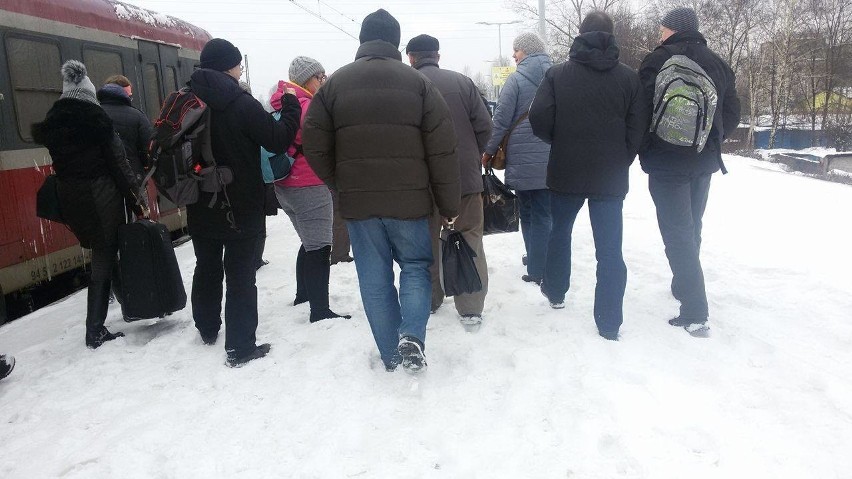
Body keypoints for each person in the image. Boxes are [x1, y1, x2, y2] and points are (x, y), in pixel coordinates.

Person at [303, 9, 460, 374]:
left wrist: (339, 181)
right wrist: (449, 204)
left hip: (359, 204)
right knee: (416, 268)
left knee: (374, 279)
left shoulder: (334, 86)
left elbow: (313, 143)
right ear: (396, 42)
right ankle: (412, 337)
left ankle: (392, 355)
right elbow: (443, 150)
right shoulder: (420, 84)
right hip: (411, 202)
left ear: (362, 39)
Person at [529, 11, 648, 341]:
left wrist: (560, 140)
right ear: (611, 37)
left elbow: (538, 117)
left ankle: (555, 291)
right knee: (610, 250)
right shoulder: (628, 78)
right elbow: (639, 126)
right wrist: (622, 155)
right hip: (609, 176)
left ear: (580, 36)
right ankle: (609, 323)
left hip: (565, 170)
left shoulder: (556, 75)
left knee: (559, 232)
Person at [187, 38, 301, 367]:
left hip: (199, 199)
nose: (240, 69)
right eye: (237, 63)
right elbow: (277, 140)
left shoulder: (185, 98)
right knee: (240, 275)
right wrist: (291, 108)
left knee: (206, 266)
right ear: (229, 66)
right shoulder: (240, 103)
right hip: (241, 203)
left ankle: (207, 329)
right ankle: (240, 347)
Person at [32, 60, 148, 349]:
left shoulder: (55, 124)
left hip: (72, 198)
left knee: (104, 250)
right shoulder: (96, 120)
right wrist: (138, 202)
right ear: (88, 94)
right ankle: (94, 330)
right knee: (104, 256)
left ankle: (129, 306)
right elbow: (119, 165)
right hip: (101, 196)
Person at [638, 8, 740, 335]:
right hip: (704, 160)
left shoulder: (656, 61)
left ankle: (695, 309)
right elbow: (732, 112)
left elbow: (639, 112)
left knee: (677, 232)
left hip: (666, 163)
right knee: (691, 226)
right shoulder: (718, 63)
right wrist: (711, 139)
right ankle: (684, 283)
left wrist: (646, 147)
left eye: (662, 29)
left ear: (672, 30)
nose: (659, 35)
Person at [406, 34, 493, 328]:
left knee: (426, 242)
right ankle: (470, 307)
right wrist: (470, 155)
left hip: (423, 182)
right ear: (438, 56)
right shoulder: (463, 83)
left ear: (411, 58)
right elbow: (485, 127)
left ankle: (431, 299)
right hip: (464, 181)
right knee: (470, 237)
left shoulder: (407, 85)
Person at [270, 56, 349, 323]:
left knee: (309, 242)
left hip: (286, 183)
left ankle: (303, 295)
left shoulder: (283, 103)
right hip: (308, 182)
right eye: (321, 76)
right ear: (308, 79)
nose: (323, 81)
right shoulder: (307, 107)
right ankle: (320, 310)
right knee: (319, 246)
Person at [481, 32, 552, 286]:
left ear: (528, 52)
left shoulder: (517, 80)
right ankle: (539, 257)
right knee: (545, 211)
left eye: (517, 50)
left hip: (522, 156)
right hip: (552, 155)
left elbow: (500, 120)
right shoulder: (557, 76)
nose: (514, 55)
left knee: (529, 211)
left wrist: (489, 151)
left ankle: (536, 266)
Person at [96, 75, 153, 180]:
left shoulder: (92, 114)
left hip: (100, 178)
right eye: (128, 95)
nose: (129, 99)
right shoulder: (138, 116)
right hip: (132, 176)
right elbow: (149, 148)